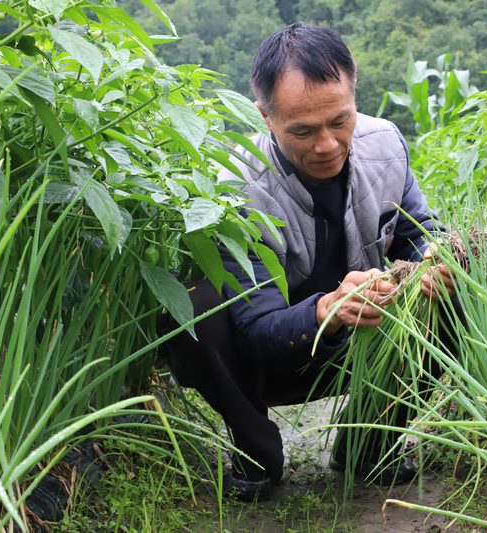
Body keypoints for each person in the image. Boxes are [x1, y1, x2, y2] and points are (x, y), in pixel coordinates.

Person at [166, 22, 459, 502]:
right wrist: (327, 309)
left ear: (353, 94)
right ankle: (257, 452)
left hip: (360, 348)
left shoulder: (385, 146)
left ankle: (371, 443)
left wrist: (434, 259)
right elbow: (254, 329)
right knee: (194, 310)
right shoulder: (235, 185)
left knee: (454, 287)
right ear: (265, 116)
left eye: (340, 121)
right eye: (302, 130)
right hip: (269, 361)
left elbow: (420, 234)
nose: (327, 145)